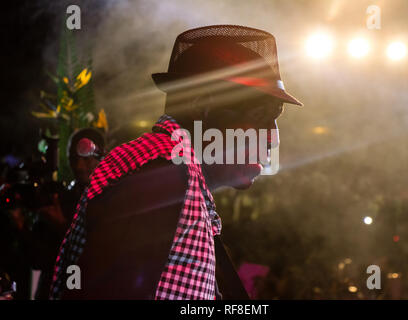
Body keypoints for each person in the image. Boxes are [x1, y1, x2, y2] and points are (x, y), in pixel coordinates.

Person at [50, 25, 303, 300]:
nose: (273, 139)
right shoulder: (159, 177)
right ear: (201, 105)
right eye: (260, 115)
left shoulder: (175, 176)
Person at [33, 128, 105, 299]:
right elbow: (37, 260)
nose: (79, 167)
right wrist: (21, 226)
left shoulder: (111, 199)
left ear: (102, 156)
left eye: (86, 159)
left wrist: (62, 227)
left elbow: (99, 256)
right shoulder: (60, 198)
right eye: (74, 159)